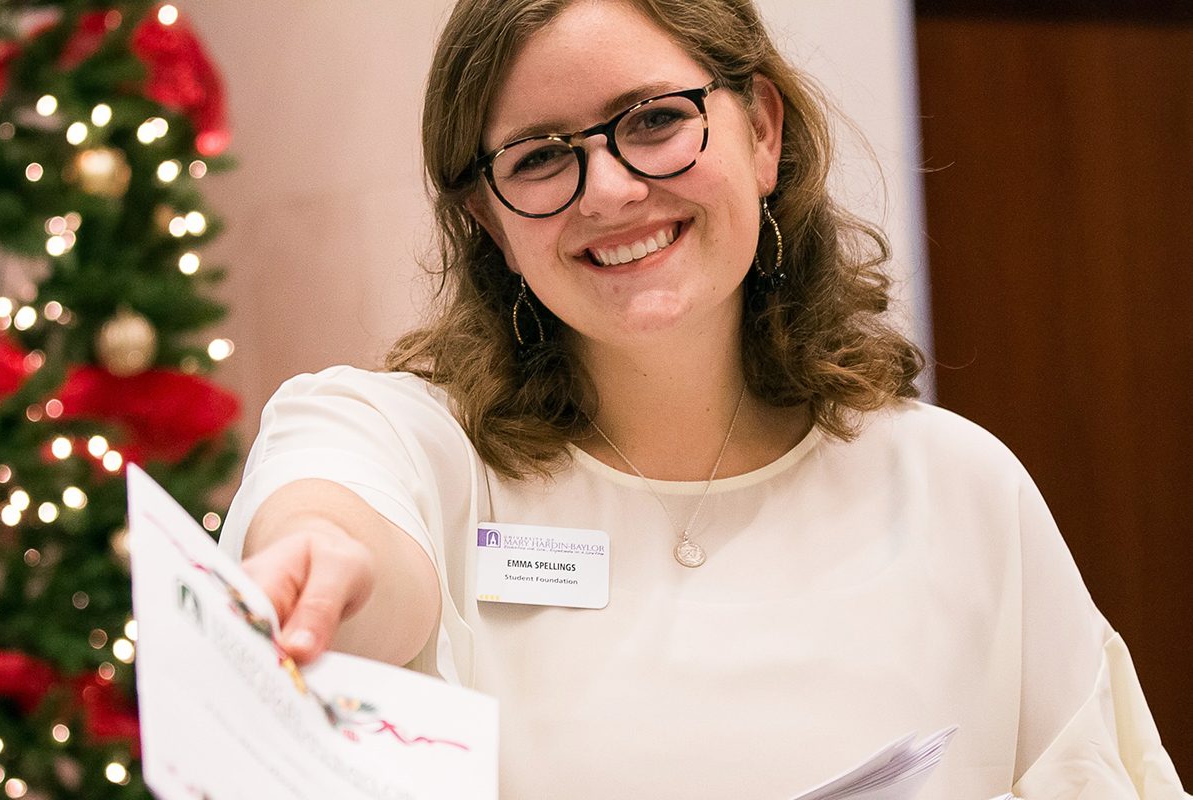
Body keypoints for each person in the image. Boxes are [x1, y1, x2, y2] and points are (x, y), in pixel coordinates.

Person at [216, 0, 1187, 796]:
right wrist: (323, 560)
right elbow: (336, 511)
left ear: (760, 131)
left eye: (652, 120)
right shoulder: (416, 443)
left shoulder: (959, 486)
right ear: (487, 216)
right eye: (540, 155)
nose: (606, 189)